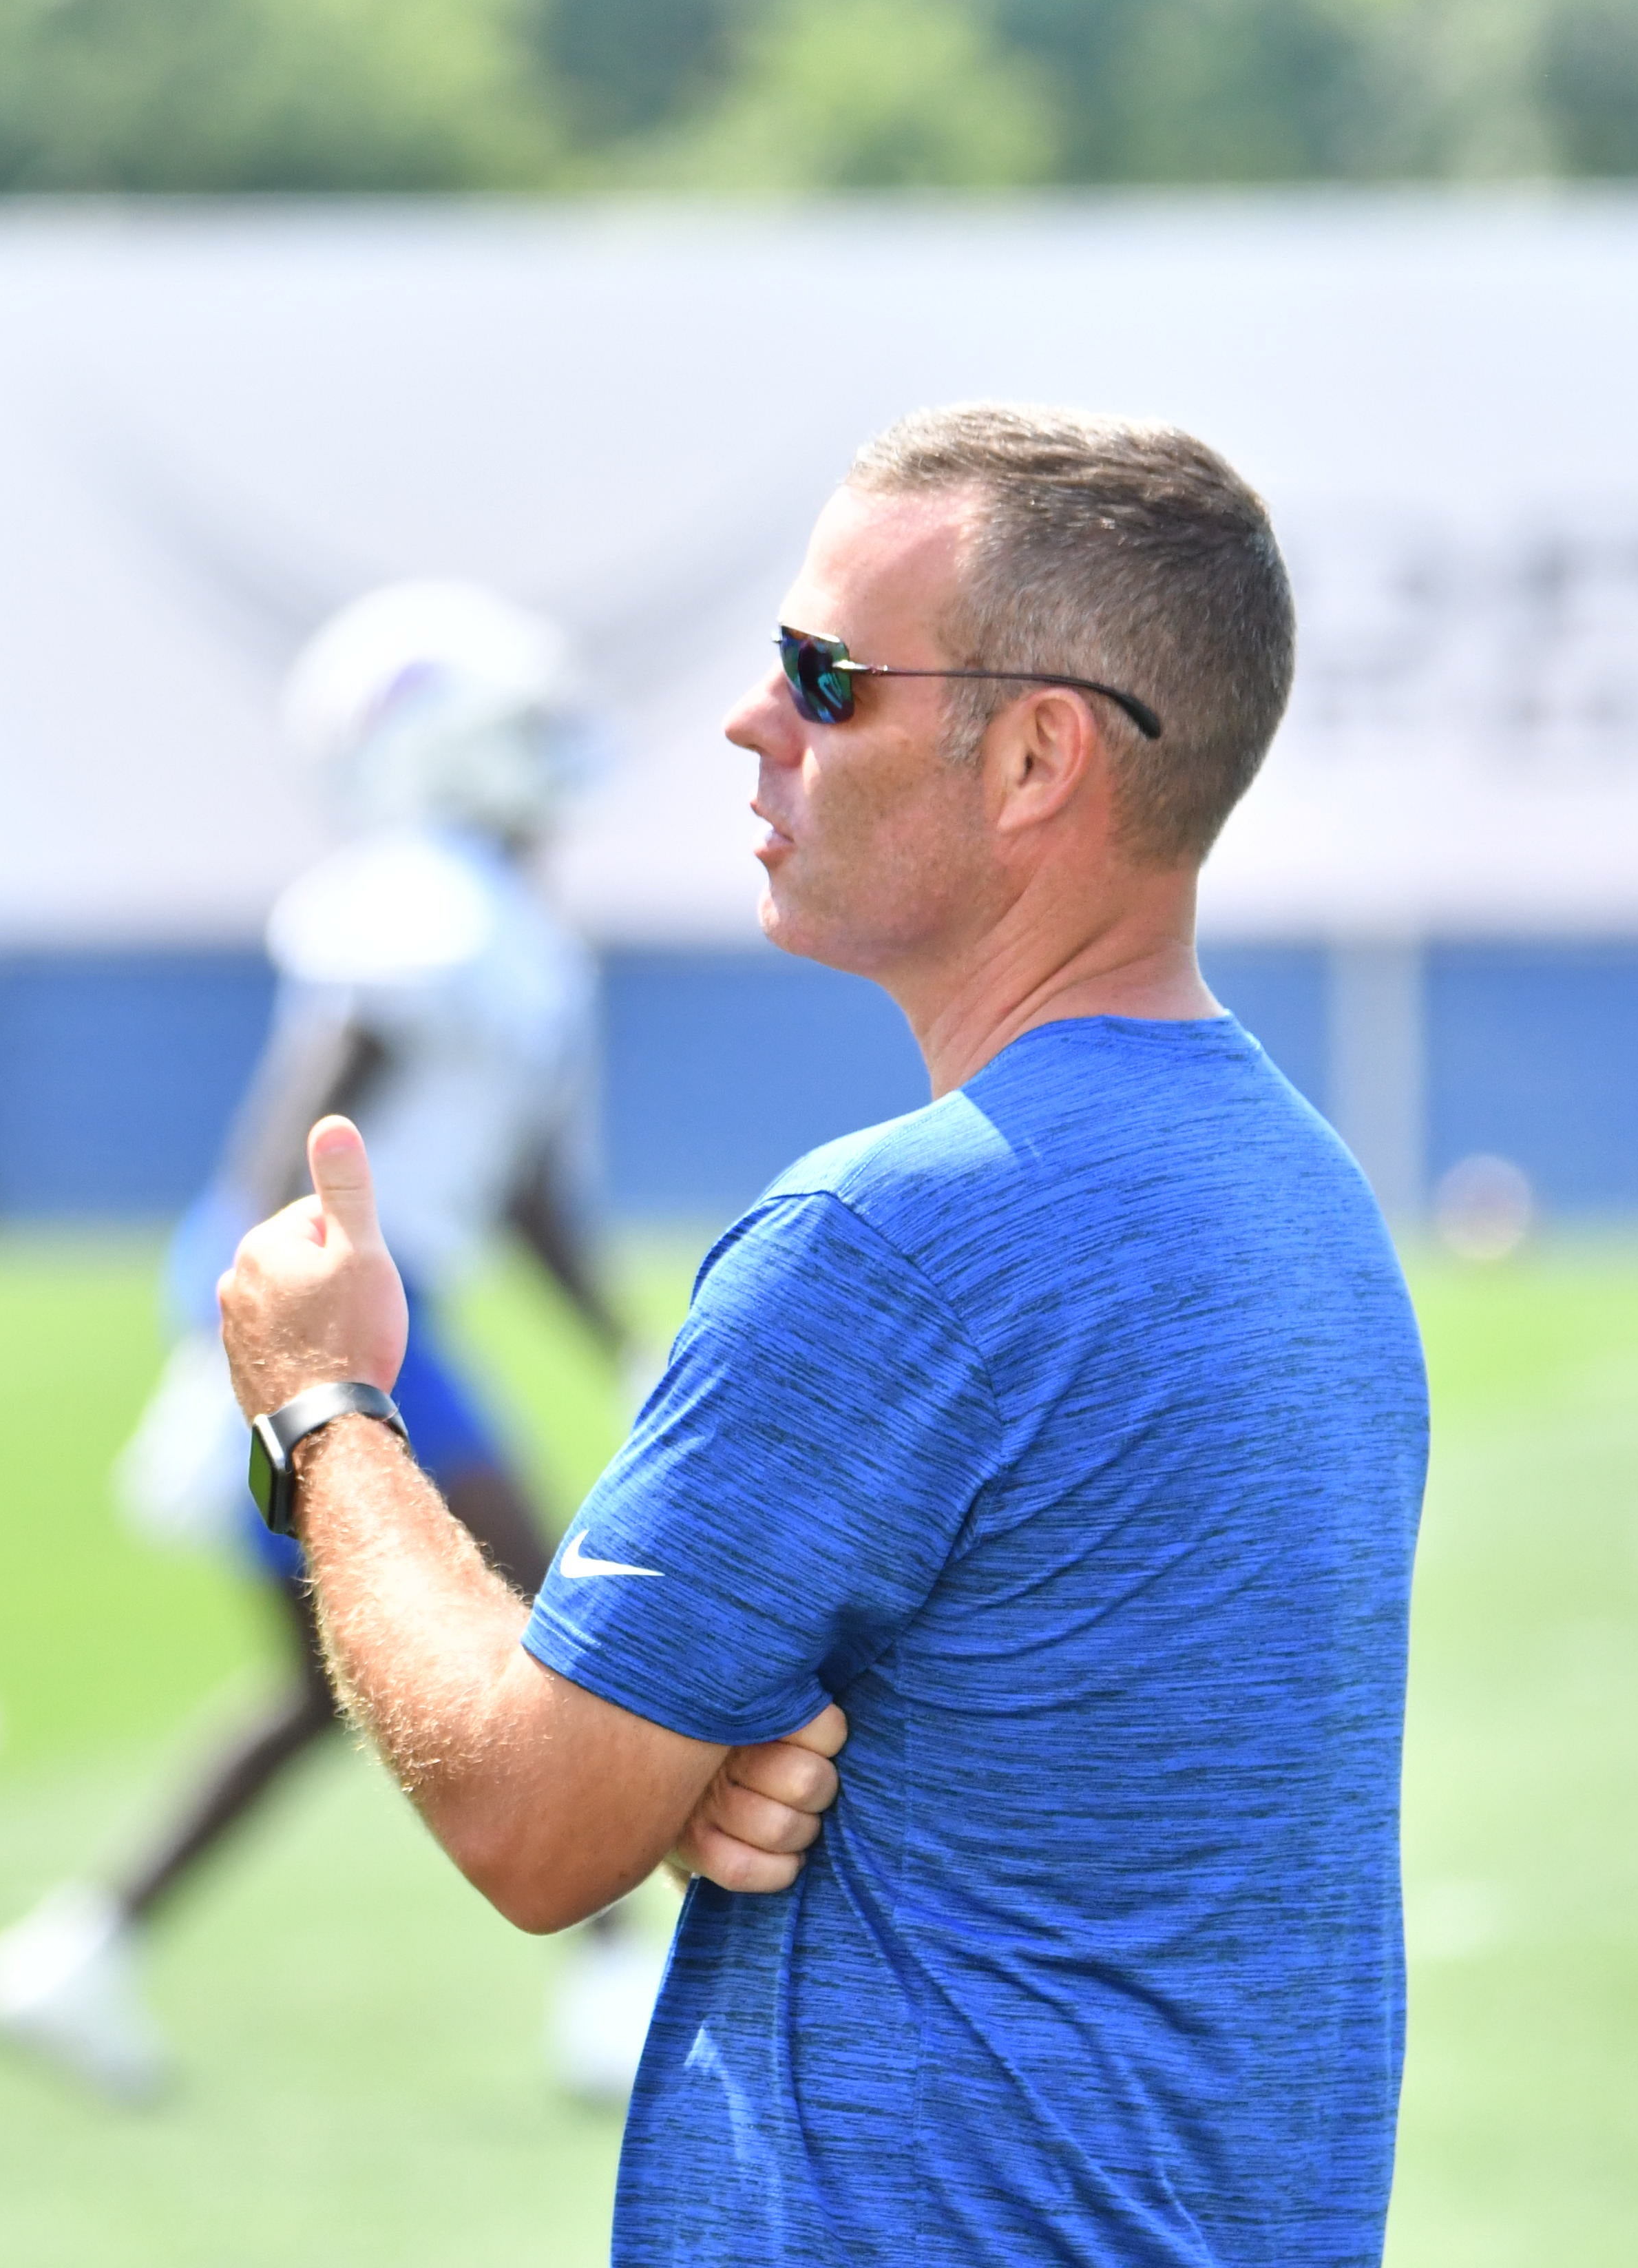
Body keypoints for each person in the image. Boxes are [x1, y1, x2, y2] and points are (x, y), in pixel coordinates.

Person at [218, 406, 1425, 2265]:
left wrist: (322, 1402)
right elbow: (1039, 1764)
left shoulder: (892, 1241)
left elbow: (533, 1821)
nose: (750, 721)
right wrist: (702, 1753)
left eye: (825, 675)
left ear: (1035, 757)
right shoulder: (1309, 1196)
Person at [0, 581, 669, 2102]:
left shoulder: (490, 918)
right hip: (337, 1301)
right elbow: (300, 1121)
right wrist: (272, 1341)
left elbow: (525, 1179)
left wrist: (624, 1337)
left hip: (361, 1300)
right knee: (554, 1619)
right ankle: (616, 1984)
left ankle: (76, 1952)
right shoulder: (426, 906)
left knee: (318, 1688)